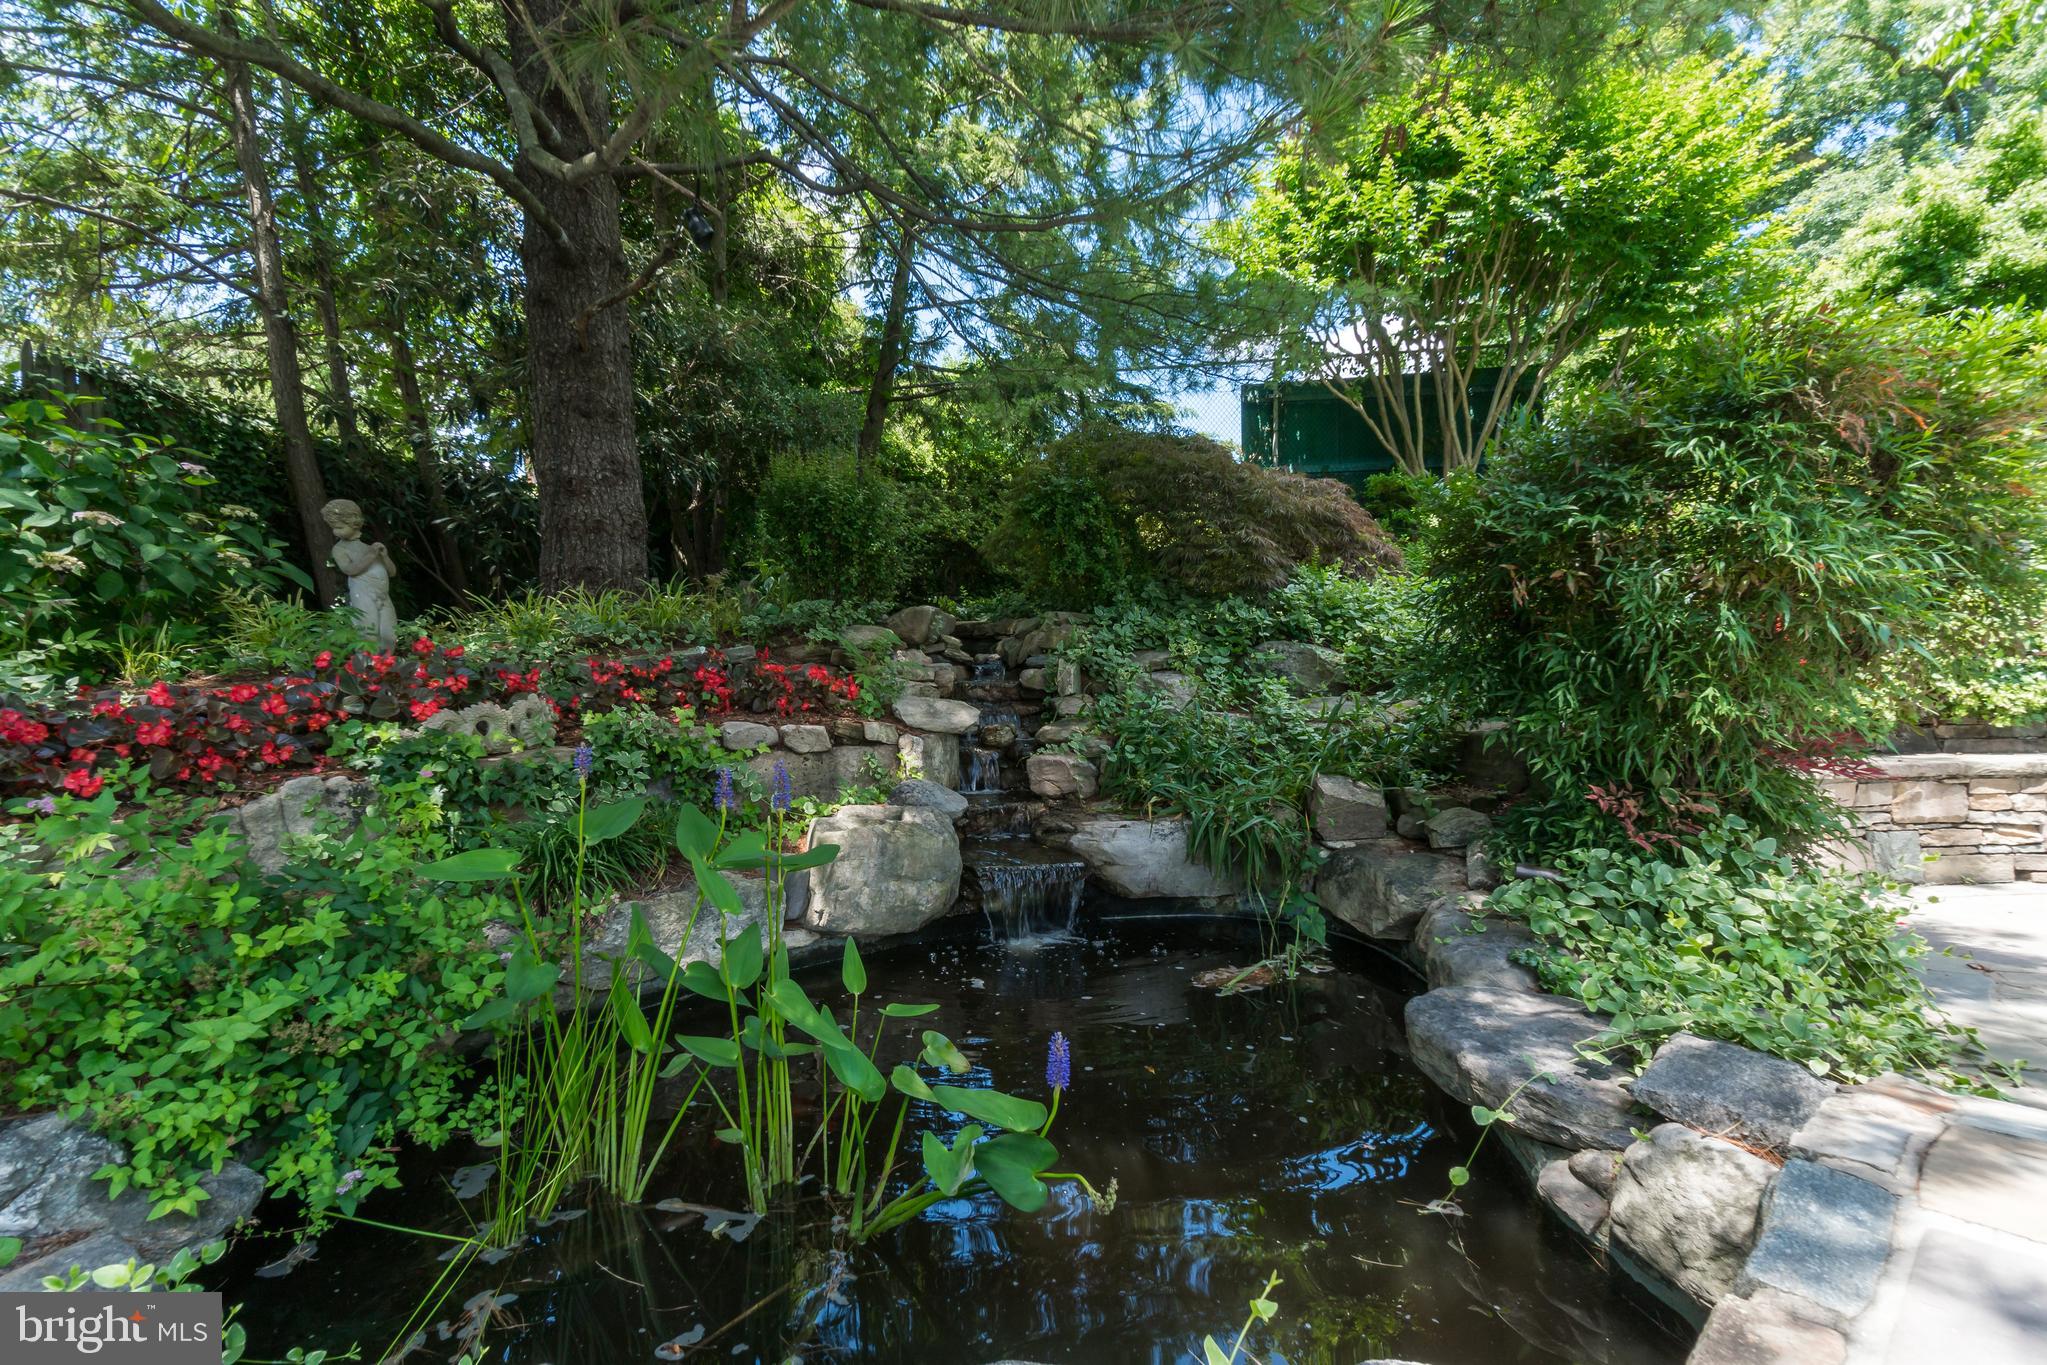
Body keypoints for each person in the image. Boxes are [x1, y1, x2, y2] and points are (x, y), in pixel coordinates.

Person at [320, 498, 398, 648]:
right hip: (363, 595)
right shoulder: (340, 549)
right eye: (333, 528)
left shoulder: (368, 548)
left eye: (340, 527)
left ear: (354, 524)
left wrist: (385, 556)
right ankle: (366, 665)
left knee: (389, 633)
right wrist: (371, 555)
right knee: (368, 631)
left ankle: (385, 665)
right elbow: (350, 570)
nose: (335, 531)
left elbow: (392, 572)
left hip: (383, 595)